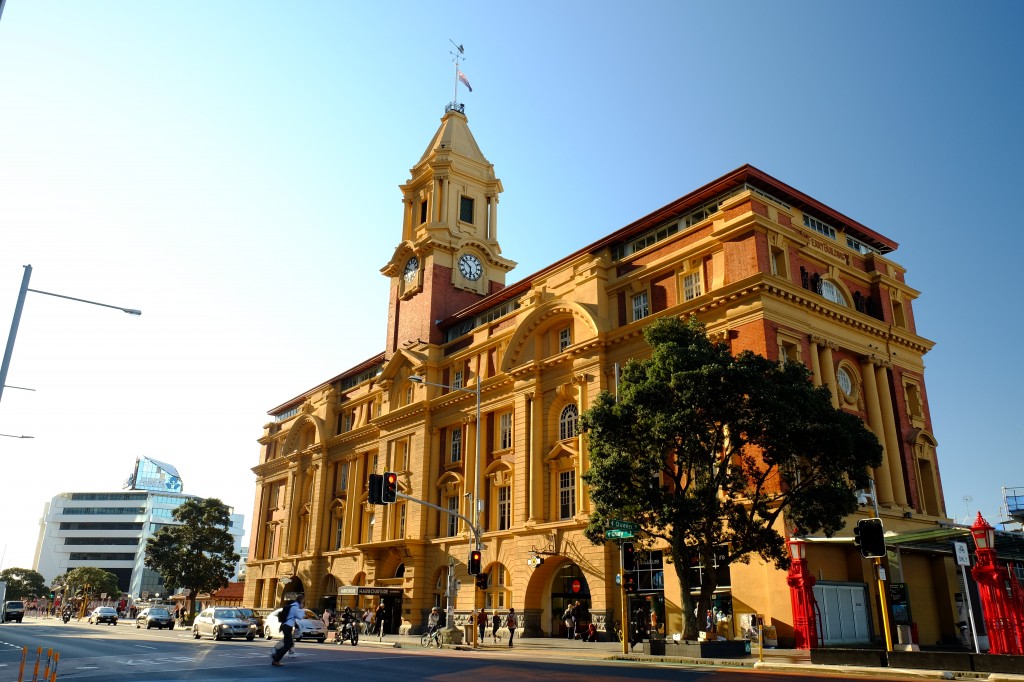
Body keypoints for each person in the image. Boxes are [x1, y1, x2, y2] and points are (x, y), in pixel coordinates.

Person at [270, 594, 305, 666]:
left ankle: (276, 655)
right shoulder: (295, 608)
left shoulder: (292, 606)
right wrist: (302, 609)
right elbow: (300, 617)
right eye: (302, 602)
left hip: (285, 626)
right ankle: (276, 659)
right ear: (301, 602)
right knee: (289, 644)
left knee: (288, 643)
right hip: (287, 627)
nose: (303, 604)